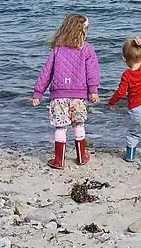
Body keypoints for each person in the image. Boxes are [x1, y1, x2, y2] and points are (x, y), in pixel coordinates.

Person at [32, 14, 100, 169]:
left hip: (59, 95)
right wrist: (93, 90)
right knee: (78, 124)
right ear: (83, 31)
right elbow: (92, 71)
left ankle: (59, 161)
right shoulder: (87, 49)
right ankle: (81, 157)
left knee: (60, 127)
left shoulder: (57, 50)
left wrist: (38, 93)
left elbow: (46, 73)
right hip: (78, 95)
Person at [108, 36, 141, 162]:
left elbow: (121, 92)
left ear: (124, 59)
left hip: (136, 110)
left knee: (133, 133)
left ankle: (130, 156)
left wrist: (112, 102)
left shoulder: (126, 75)